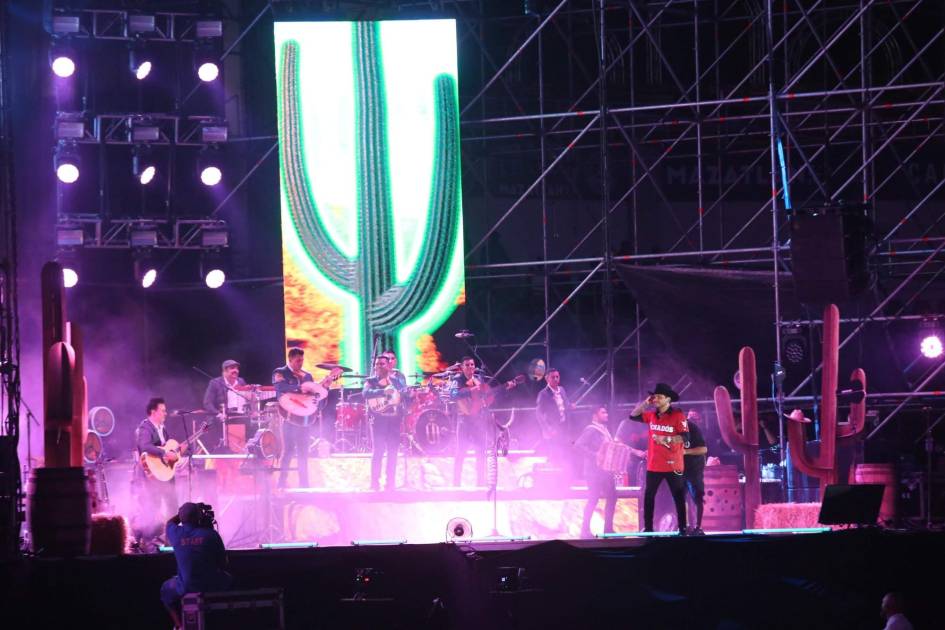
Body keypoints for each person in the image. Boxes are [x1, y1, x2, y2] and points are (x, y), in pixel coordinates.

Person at [628, 383, 689, 534]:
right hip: (654, 465)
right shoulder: (651, 416)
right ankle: (648, 527)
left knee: (678, 496)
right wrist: (646, 402)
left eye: (659, 397)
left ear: (668, 399)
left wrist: (666, 439)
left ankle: (682, 527)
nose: (656, 399)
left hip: (673, 464)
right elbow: (633, 415)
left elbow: (685, 437)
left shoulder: (678, 415)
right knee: (649, 496)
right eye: (655, 397)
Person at [160, 502, 232, 629]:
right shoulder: (211, 534)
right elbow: (224, 563)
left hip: (185, 586)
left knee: (165, 590)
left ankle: (179, 625)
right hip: (212, 584)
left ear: (181, 517)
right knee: (230, 580)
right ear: (199, 517)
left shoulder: (175, 533)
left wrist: (182, 514)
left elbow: (170, 523)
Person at [133, 397, 182, 548]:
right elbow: (144, 446)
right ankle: (144, 540)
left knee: (173, 505)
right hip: (152, 475)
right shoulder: (145, 428)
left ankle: (171, 539)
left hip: (165, 474)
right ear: (153, 412)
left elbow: (168, 448)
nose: (165, 413)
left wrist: (175, 455)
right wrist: (164, 453)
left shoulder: (163, 429)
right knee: (153, 507)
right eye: (163, 411)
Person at [363, 354, 408, 491]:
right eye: (377, 364)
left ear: (389, 366)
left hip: (394, 420)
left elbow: (404, 396)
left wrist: (409, 396)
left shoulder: (397, 381)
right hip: (378, 421)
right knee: (378, 452)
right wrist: (383, 391)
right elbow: (365, 393)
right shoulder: (371, 381)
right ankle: (374, 484)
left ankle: (390, 484)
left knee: (393, 453)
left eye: (382, 364)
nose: (378, 366)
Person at [574, 406, 618, 538]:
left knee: (612, 497)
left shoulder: (604, 430)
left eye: (606, 412)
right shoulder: (591, 429)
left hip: (605, 471)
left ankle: (608, 529)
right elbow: (578, 445)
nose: (606, 414)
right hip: (594, 472)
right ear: (595, 415)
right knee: (593, 499)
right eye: (603, 412)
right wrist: (595, 456)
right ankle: (585, 531)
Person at [450, 356, 489, 487]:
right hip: (464, 421)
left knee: (481, 451)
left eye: (472, 364)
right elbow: (453, 395)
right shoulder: (457, 380)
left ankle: (481, 482)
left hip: (478, 421)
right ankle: (456, 483)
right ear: (462, 367)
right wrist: (471, 390)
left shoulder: (478, 380)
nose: (470, 367)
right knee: (461, 452)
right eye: (467, 365)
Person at [535, 367, 575, 473]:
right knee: (555, 454)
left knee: (565, 452)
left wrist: (570, 406)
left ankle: (566, 475)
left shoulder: (562, 390)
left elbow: (565, 403)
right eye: (553, 377)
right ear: (547, 379)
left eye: (557, 377)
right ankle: (555, 478)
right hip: (553, 430)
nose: (556, 379)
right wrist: (548, 429)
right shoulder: (543, 394)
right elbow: (539, 414)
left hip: (564, 427)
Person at [683, 410, 709, 535]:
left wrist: (686, 452)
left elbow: (703, 450)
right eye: (690, 417)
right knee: (682, 499)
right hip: (681, 470)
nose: (692, 420)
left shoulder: (699, 433)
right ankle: (686, 526)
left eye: (695, 418)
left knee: (697, 499)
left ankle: (698, 527)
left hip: (694, 470)